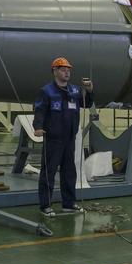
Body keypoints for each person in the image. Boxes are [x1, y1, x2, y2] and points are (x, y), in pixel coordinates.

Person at [32, 57, 93, 217]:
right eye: (63, 69)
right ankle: (45, 205)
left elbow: (87, 103)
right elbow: (39, 110)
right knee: (48, 172)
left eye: (68, 70)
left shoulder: (74, 90)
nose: (67, 72)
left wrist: (90, 91)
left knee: (69, 172)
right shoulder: (46, 91)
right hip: (53, 138)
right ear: (55, 71)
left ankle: (69, 203)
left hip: (69, 139)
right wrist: (38, 127)